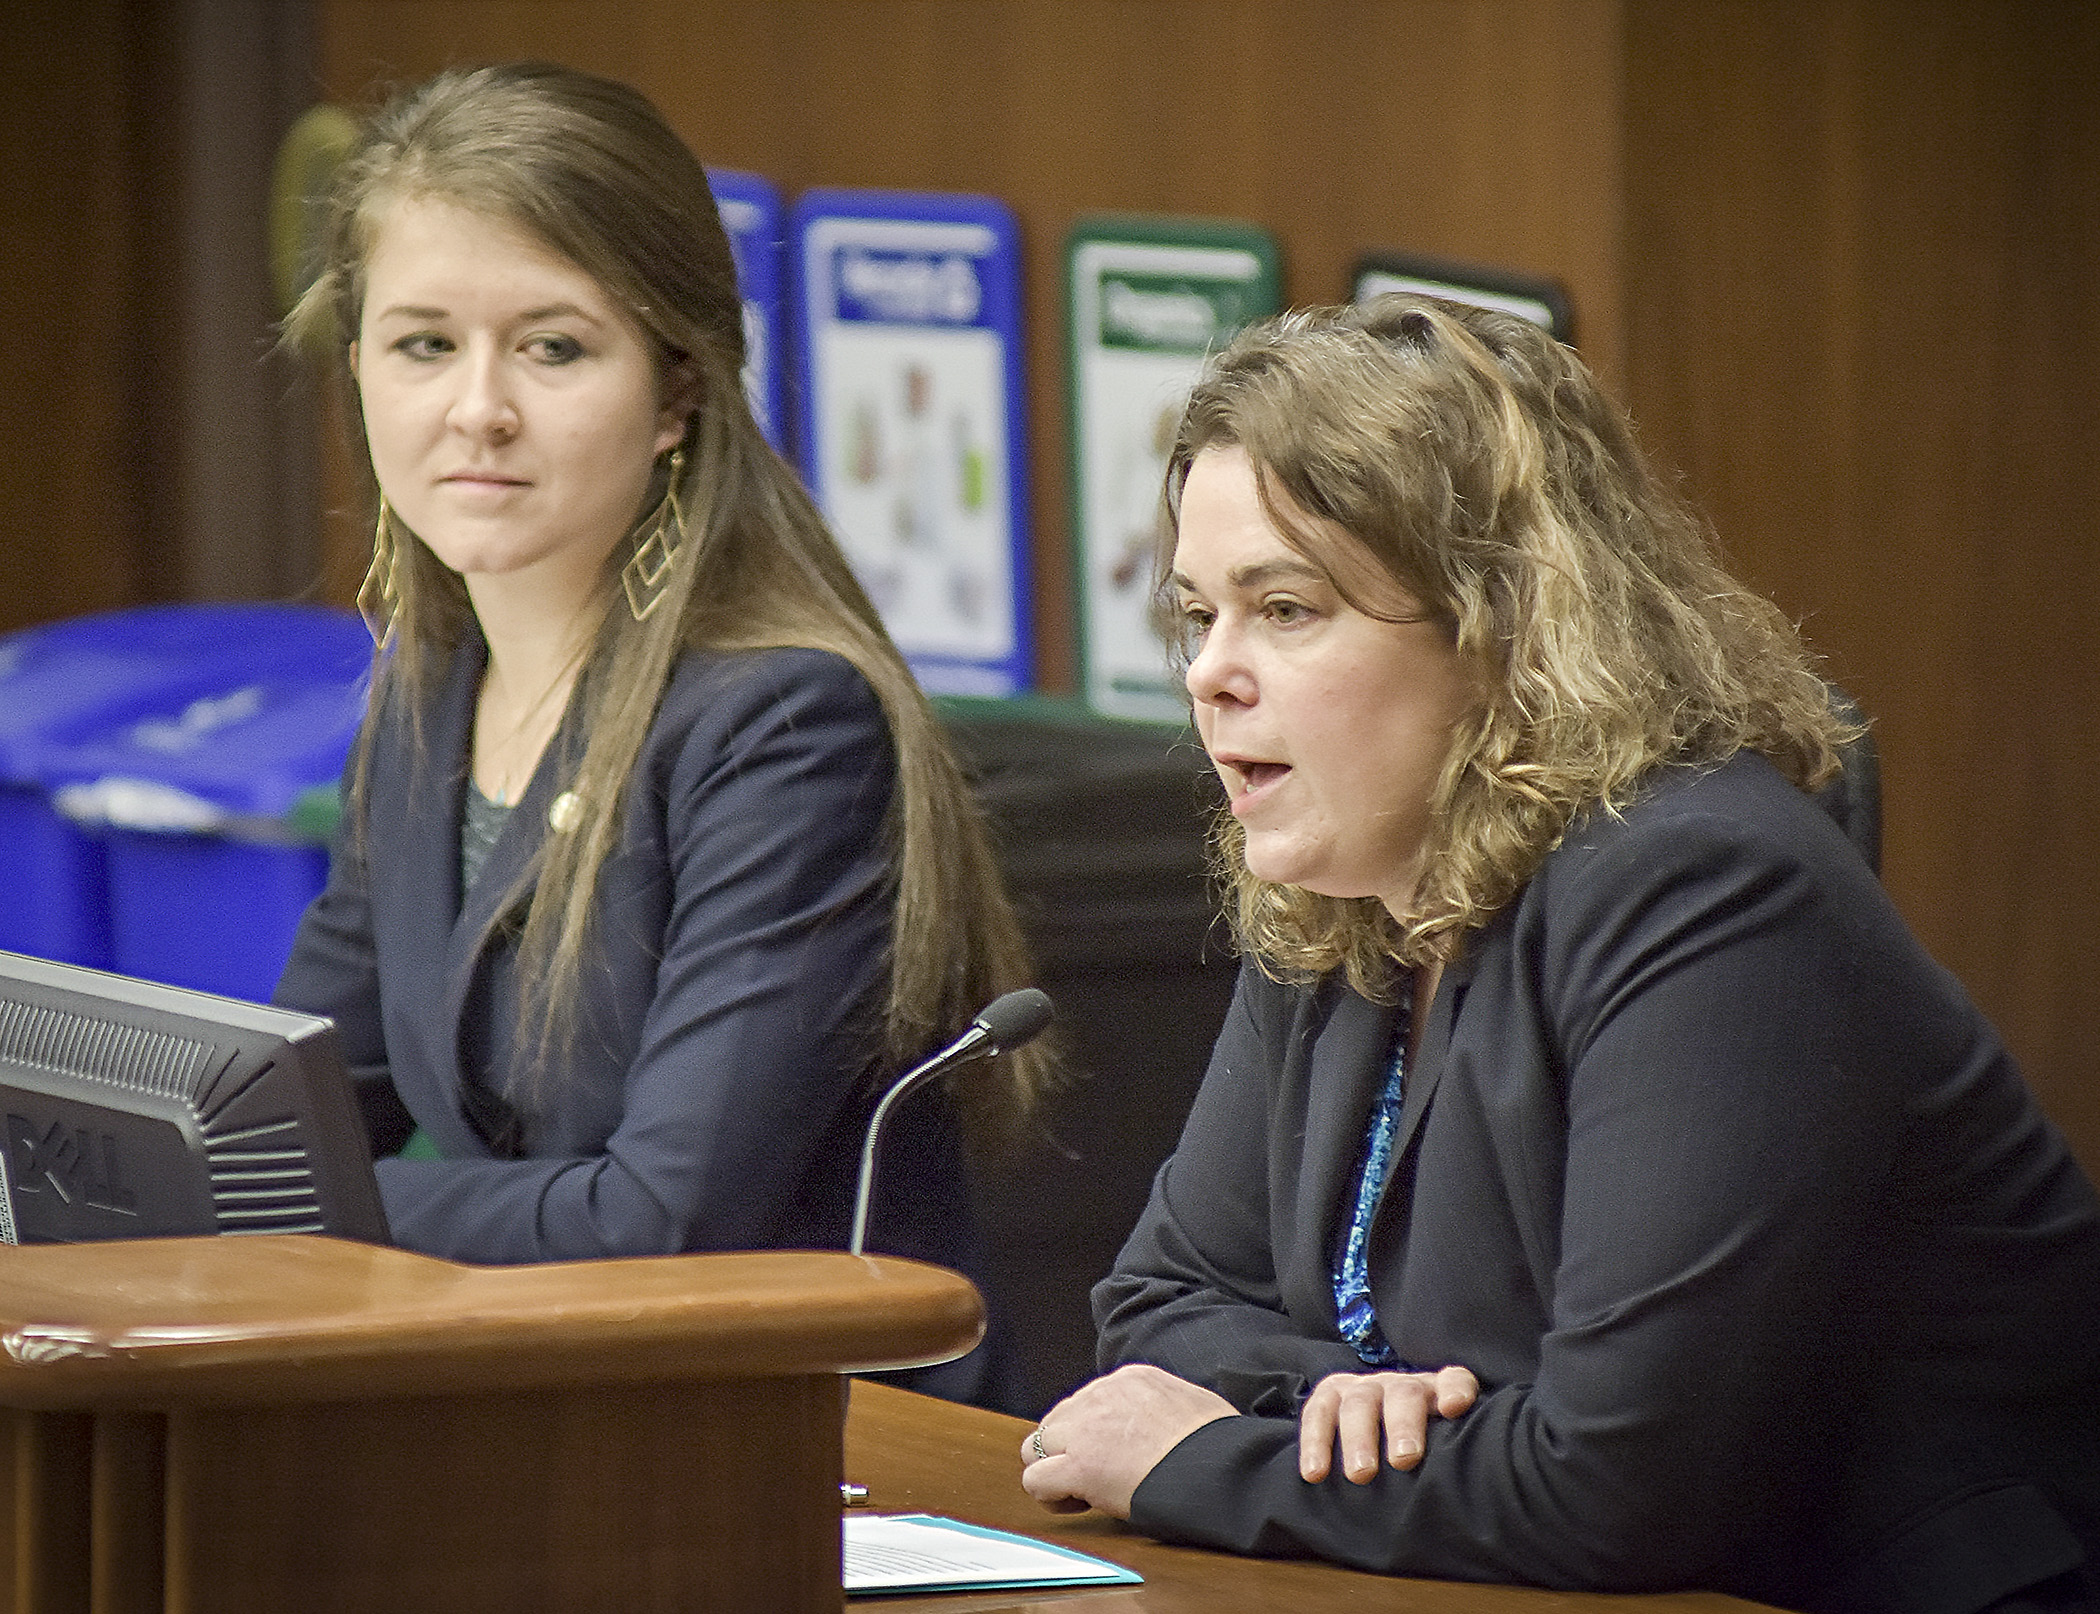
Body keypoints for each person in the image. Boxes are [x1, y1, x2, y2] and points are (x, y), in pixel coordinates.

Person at [1019, 295, 2100, 1611]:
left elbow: (1615, 1487)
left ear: (1502, 630)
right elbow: (1161, 1300)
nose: (1212, 674)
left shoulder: (1705, 892)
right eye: (1200, 614)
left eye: (1286, 610)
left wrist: (1206, 1462)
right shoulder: (1347, 882)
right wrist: (1353, 1397)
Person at [273, 63, 1048, 1404]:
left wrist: (316, 1214)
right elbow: (282, 1122)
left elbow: (662, 1221)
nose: (478, 409)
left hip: (817, 1457)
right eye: (423, 343)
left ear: (679, 389)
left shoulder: (781, 722)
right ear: (359, 372)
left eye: (555, 346)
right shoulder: (422, 704)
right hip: (561, 1408)